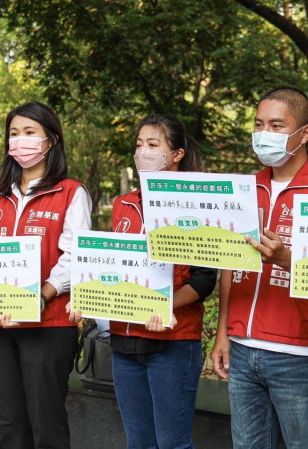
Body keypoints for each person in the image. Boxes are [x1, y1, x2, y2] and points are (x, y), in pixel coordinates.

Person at [72, 114, 217, 449]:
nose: (142, 152)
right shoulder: (125, 204)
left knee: (172, 444)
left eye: (153, 145)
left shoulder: (197, 203)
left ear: (176, 154)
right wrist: (88, 297)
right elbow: (116, 267)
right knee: (138, 442)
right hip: (124, 344)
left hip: (173, 342)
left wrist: (166, 304)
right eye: (139, 145)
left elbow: (205, 279)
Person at [211, 88, 308, 449]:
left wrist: (287, 259)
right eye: (259, 124)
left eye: (277, 125)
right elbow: (229, 266)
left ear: (304, 133)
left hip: (299, 353)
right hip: (243, 347)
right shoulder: (244, 191)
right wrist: (223, 333)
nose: (265, 134)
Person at [0, 101, 91, 449]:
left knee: (47, 425)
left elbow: (76, 257)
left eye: (30, 133)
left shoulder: (71, 192)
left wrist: (42, 294)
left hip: (49, 324)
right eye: (14, 134)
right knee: (8, 423)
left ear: (51, 140)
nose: (20, 141)